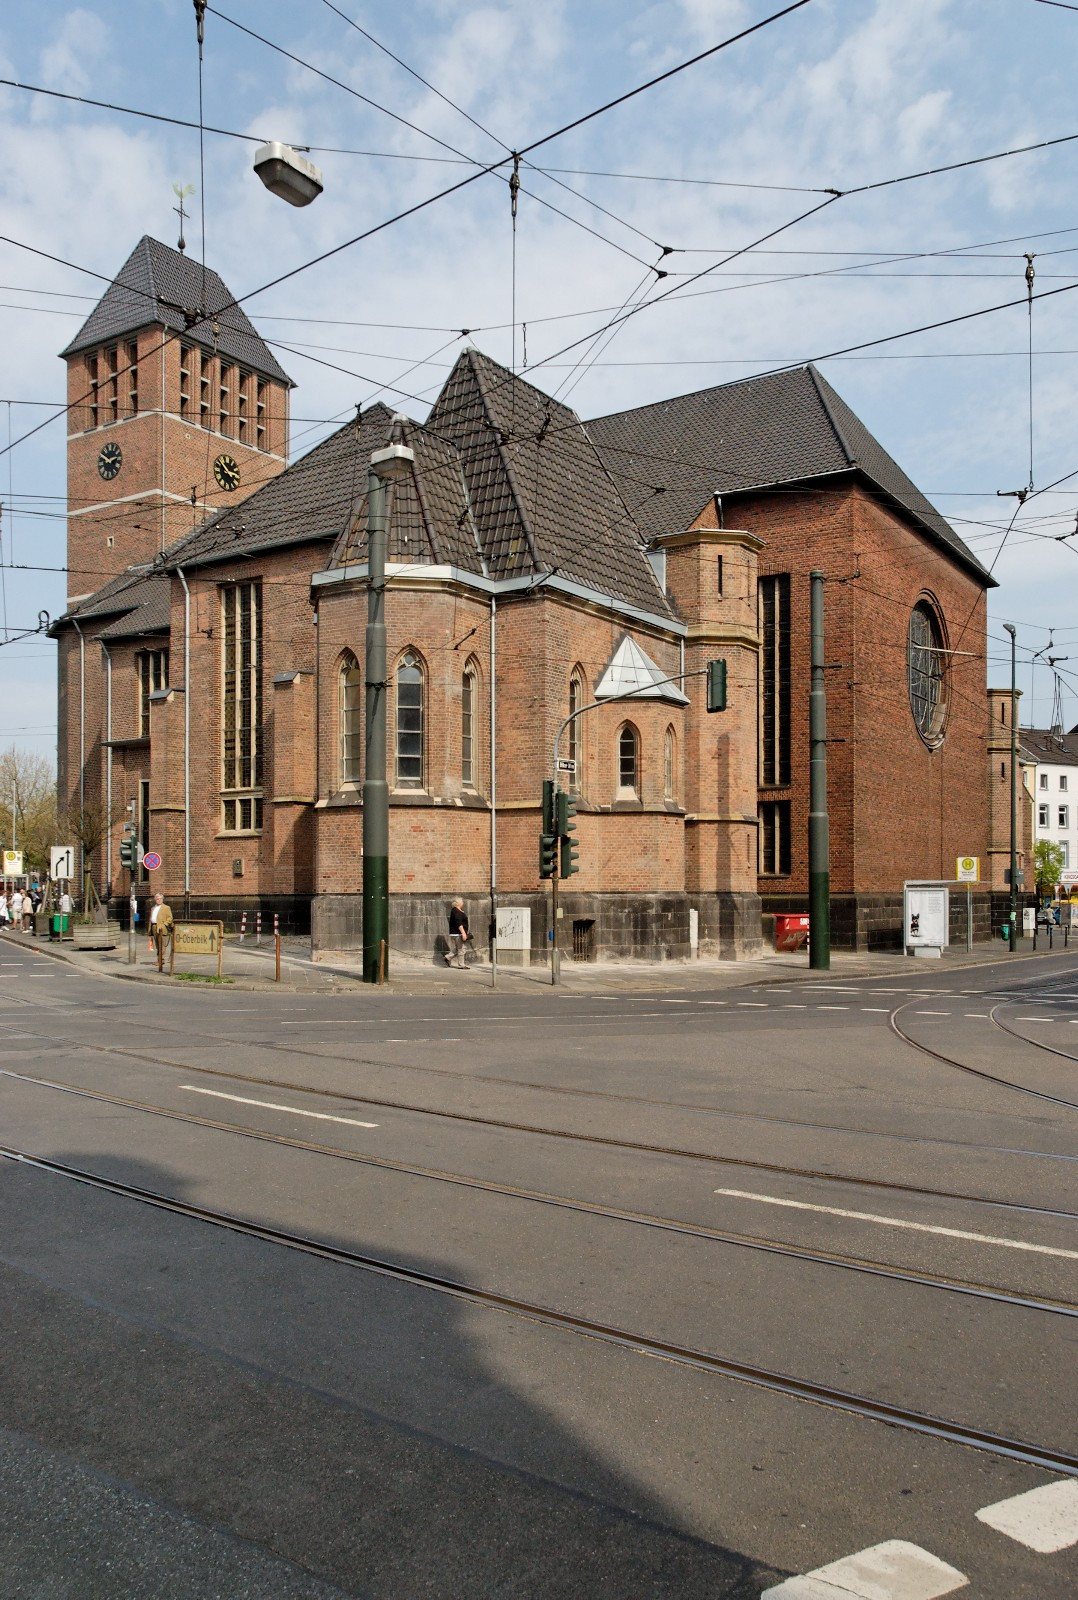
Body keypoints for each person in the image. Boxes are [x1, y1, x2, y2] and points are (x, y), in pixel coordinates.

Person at [150, 892, 174, 970]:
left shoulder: (166, 908)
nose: (158, 900)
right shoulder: (153, 908)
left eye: (160, 899)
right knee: (157, 945)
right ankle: (158, 959)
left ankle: (161, 960)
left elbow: (170, 918)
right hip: (154, 926)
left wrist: (165, 924)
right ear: (155, 900)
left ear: (162, 899)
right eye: (157, 899)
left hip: (161, 928)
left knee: (162, 945)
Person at [446, 898, 470, 969]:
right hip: (458, 933)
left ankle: (447, 957)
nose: (463, 902)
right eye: (462, 901)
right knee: (461, 949)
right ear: (458, 903)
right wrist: (463, 933)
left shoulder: (456, 910)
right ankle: (461, 964)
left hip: (457, 933)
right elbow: (458, 922)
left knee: (458, 948)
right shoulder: (456, 911)